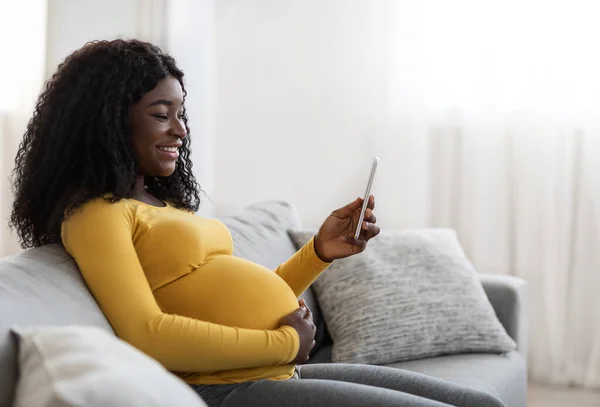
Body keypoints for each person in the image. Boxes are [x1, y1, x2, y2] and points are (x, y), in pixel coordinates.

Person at [10, 39, 504, 407]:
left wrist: (319, 252)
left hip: (277, 375)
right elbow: (147, 332)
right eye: (162, 115)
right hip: (229, 391)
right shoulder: (96, 215)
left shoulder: (160, 203)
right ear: (109, 122)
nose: (180, 130)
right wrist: (287, 342)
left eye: (181, 113)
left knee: (483, 404)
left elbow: (232, 298)